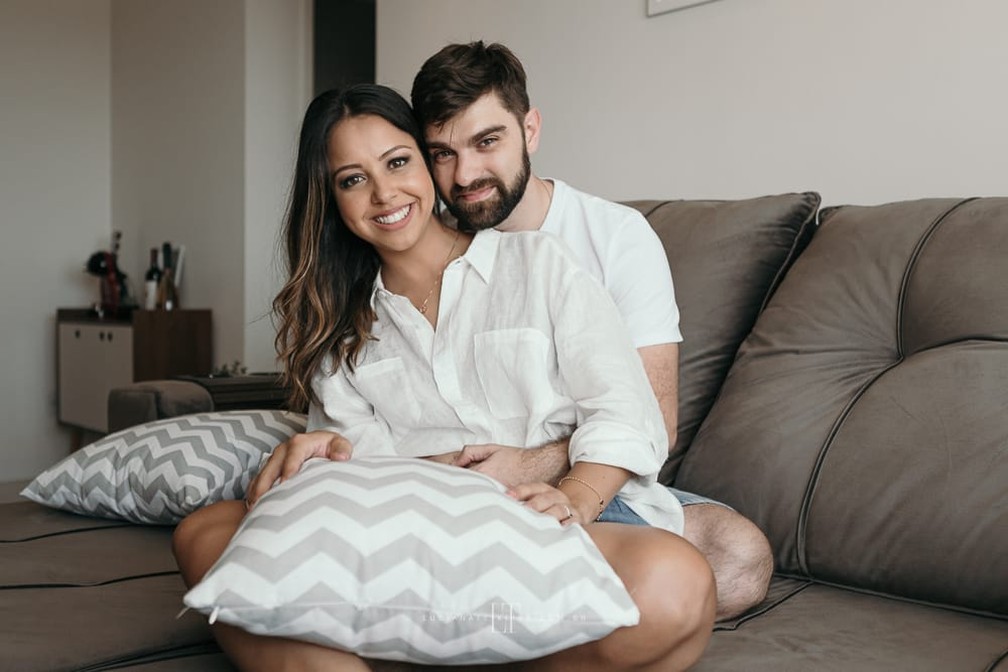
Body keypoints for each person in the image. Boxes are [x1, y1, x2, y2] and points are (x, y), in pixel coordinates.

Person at [174, 83, 715, 672]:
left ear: (428, 165)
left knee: (675, 582)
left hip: (544, 523)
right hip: (414, 537)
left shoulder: (539, 264)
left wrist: (578, 497)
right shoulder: (339, 329)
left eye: (397, 162)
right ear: (330, 198)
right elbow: (361, 481)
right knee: (207, 530)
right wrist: (327, 454)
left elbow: (626, 411)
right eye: (352, 179)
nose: (384, 193)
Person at [405, 41, 773, 621]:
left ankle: (502, 603)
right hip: (455, 490)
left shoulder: (615, 237)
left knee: (737, 557)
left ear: (530, 130)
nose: (466, 174)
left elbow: (654, 420)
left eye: (487, 142)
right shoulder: (422, 249)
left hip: (588, 480)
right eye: (442, 154)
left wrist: (530, 468)